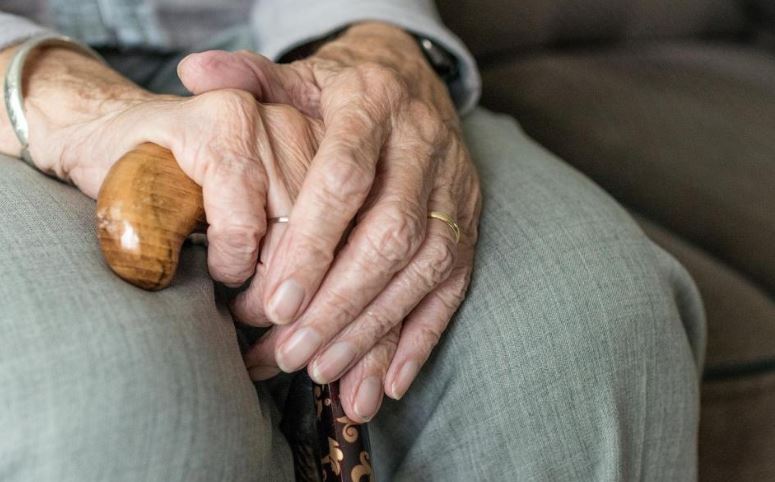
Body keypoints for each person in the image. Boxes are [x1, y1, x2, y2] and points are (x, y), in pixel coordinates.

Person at [0, 1, 705, 480]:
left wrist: (378, 41)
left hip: (289, 49)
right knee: (111, 406)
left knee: (590, 334)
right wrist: (62, 99)